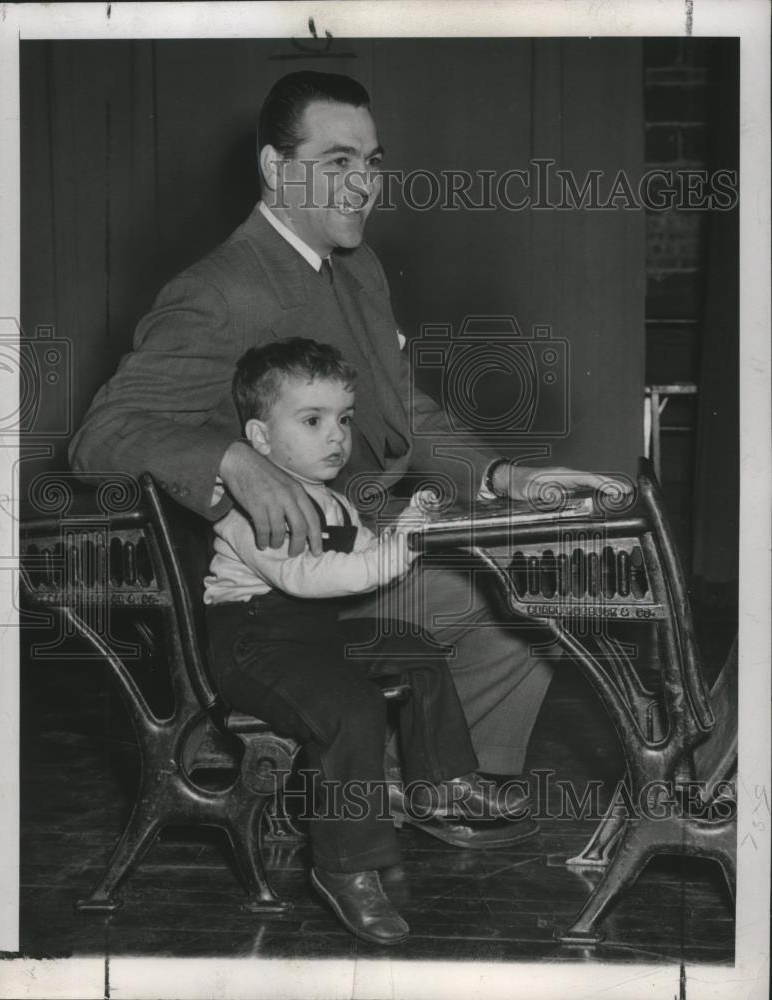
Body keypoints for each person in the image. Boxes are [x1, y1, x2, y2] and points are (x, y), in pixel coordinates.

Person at [69, 70, 620, 793]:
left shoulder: (356, 269)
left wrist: (501, 478)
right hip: (290, 582)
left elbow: (402, 408)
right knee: (517, 589)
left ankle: (435, 782)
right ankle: (401, 786)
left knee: (532, 572)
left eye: (371, 162)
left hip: (366, 530)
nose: (363, 184)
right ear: (276, 168)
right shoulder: (219, 290)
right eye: (337, 163)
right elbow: (100, 434)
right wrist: (232, 458)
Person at [204, 337, 528, 946]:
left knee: (414, 645)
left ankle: (440, 781)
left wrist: (411, 524)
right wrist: (391, 555)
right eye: (313, 420)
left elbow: (368, 557)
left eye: (344, 420)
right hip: (253, 643)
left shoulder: (332, 500)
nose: (337, 436)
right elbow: (307, 575)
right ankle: (344, 868)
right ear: (261, 438)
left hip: (311, 634)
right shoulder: (251, 504)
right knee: (351, 705)